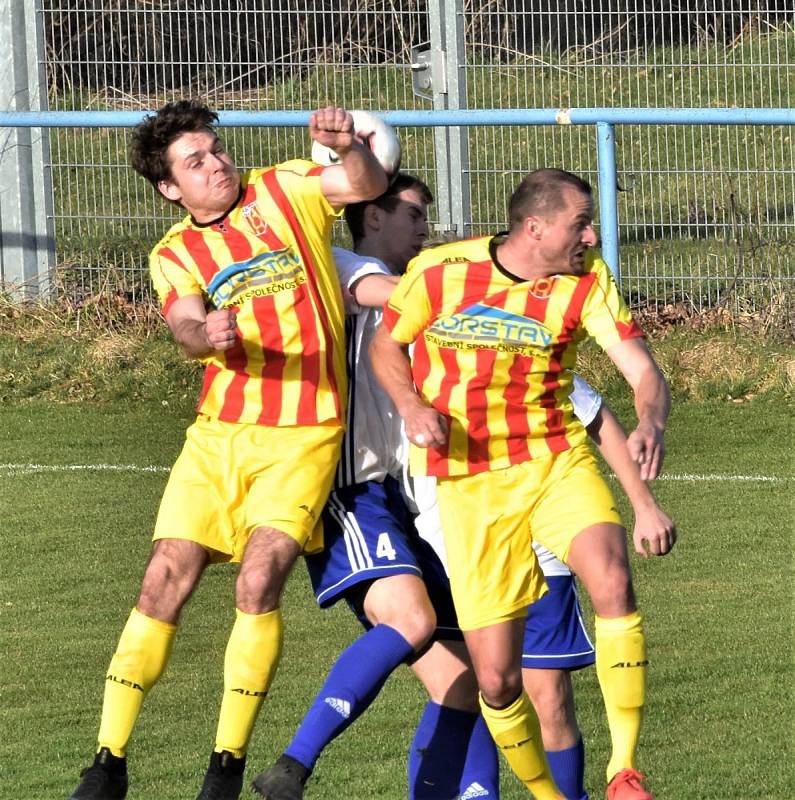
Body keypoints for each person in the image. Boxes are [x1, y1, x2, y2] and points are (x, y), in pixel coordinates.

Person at [68, 100, 388, 800]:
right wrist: (201, 336)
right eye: (195, 161)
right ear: (169, 189)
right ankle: (108, 762)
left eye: (215, 150)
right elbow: (182, 321)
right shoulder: (174, 252)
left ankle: (225, 767)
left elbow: (361, 186)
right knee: (163, 577)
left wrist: (346, 149)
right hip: (218, 436)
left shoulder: (284, 190)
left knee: (259, 577)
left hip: (304, 433)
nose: (215, 164)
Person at [370, 168, 676, 800]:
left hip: (556, 460)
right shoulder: (439, 273)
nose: (592, 235)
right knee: (498, 682)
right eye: (580, 224)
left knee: (613, 578)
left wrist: (650, 419)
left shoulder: (587, 281)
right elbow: (385, 347)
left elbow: (641, 368)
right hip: (471, 483)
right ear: (534, 228)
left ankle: (624, 772)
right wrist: (410, 404)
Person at [250, 173, 499, 800]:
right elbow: (391, 293)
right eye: (413, 214)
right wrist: (488, 265)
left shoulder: (413, 292)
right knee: (412, 620)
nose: (423, 229)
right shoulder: (337, 265)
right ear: (373, 216)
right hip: (346, 489)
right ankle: (293, 766)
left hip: (403, 497)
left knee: (474, 677)